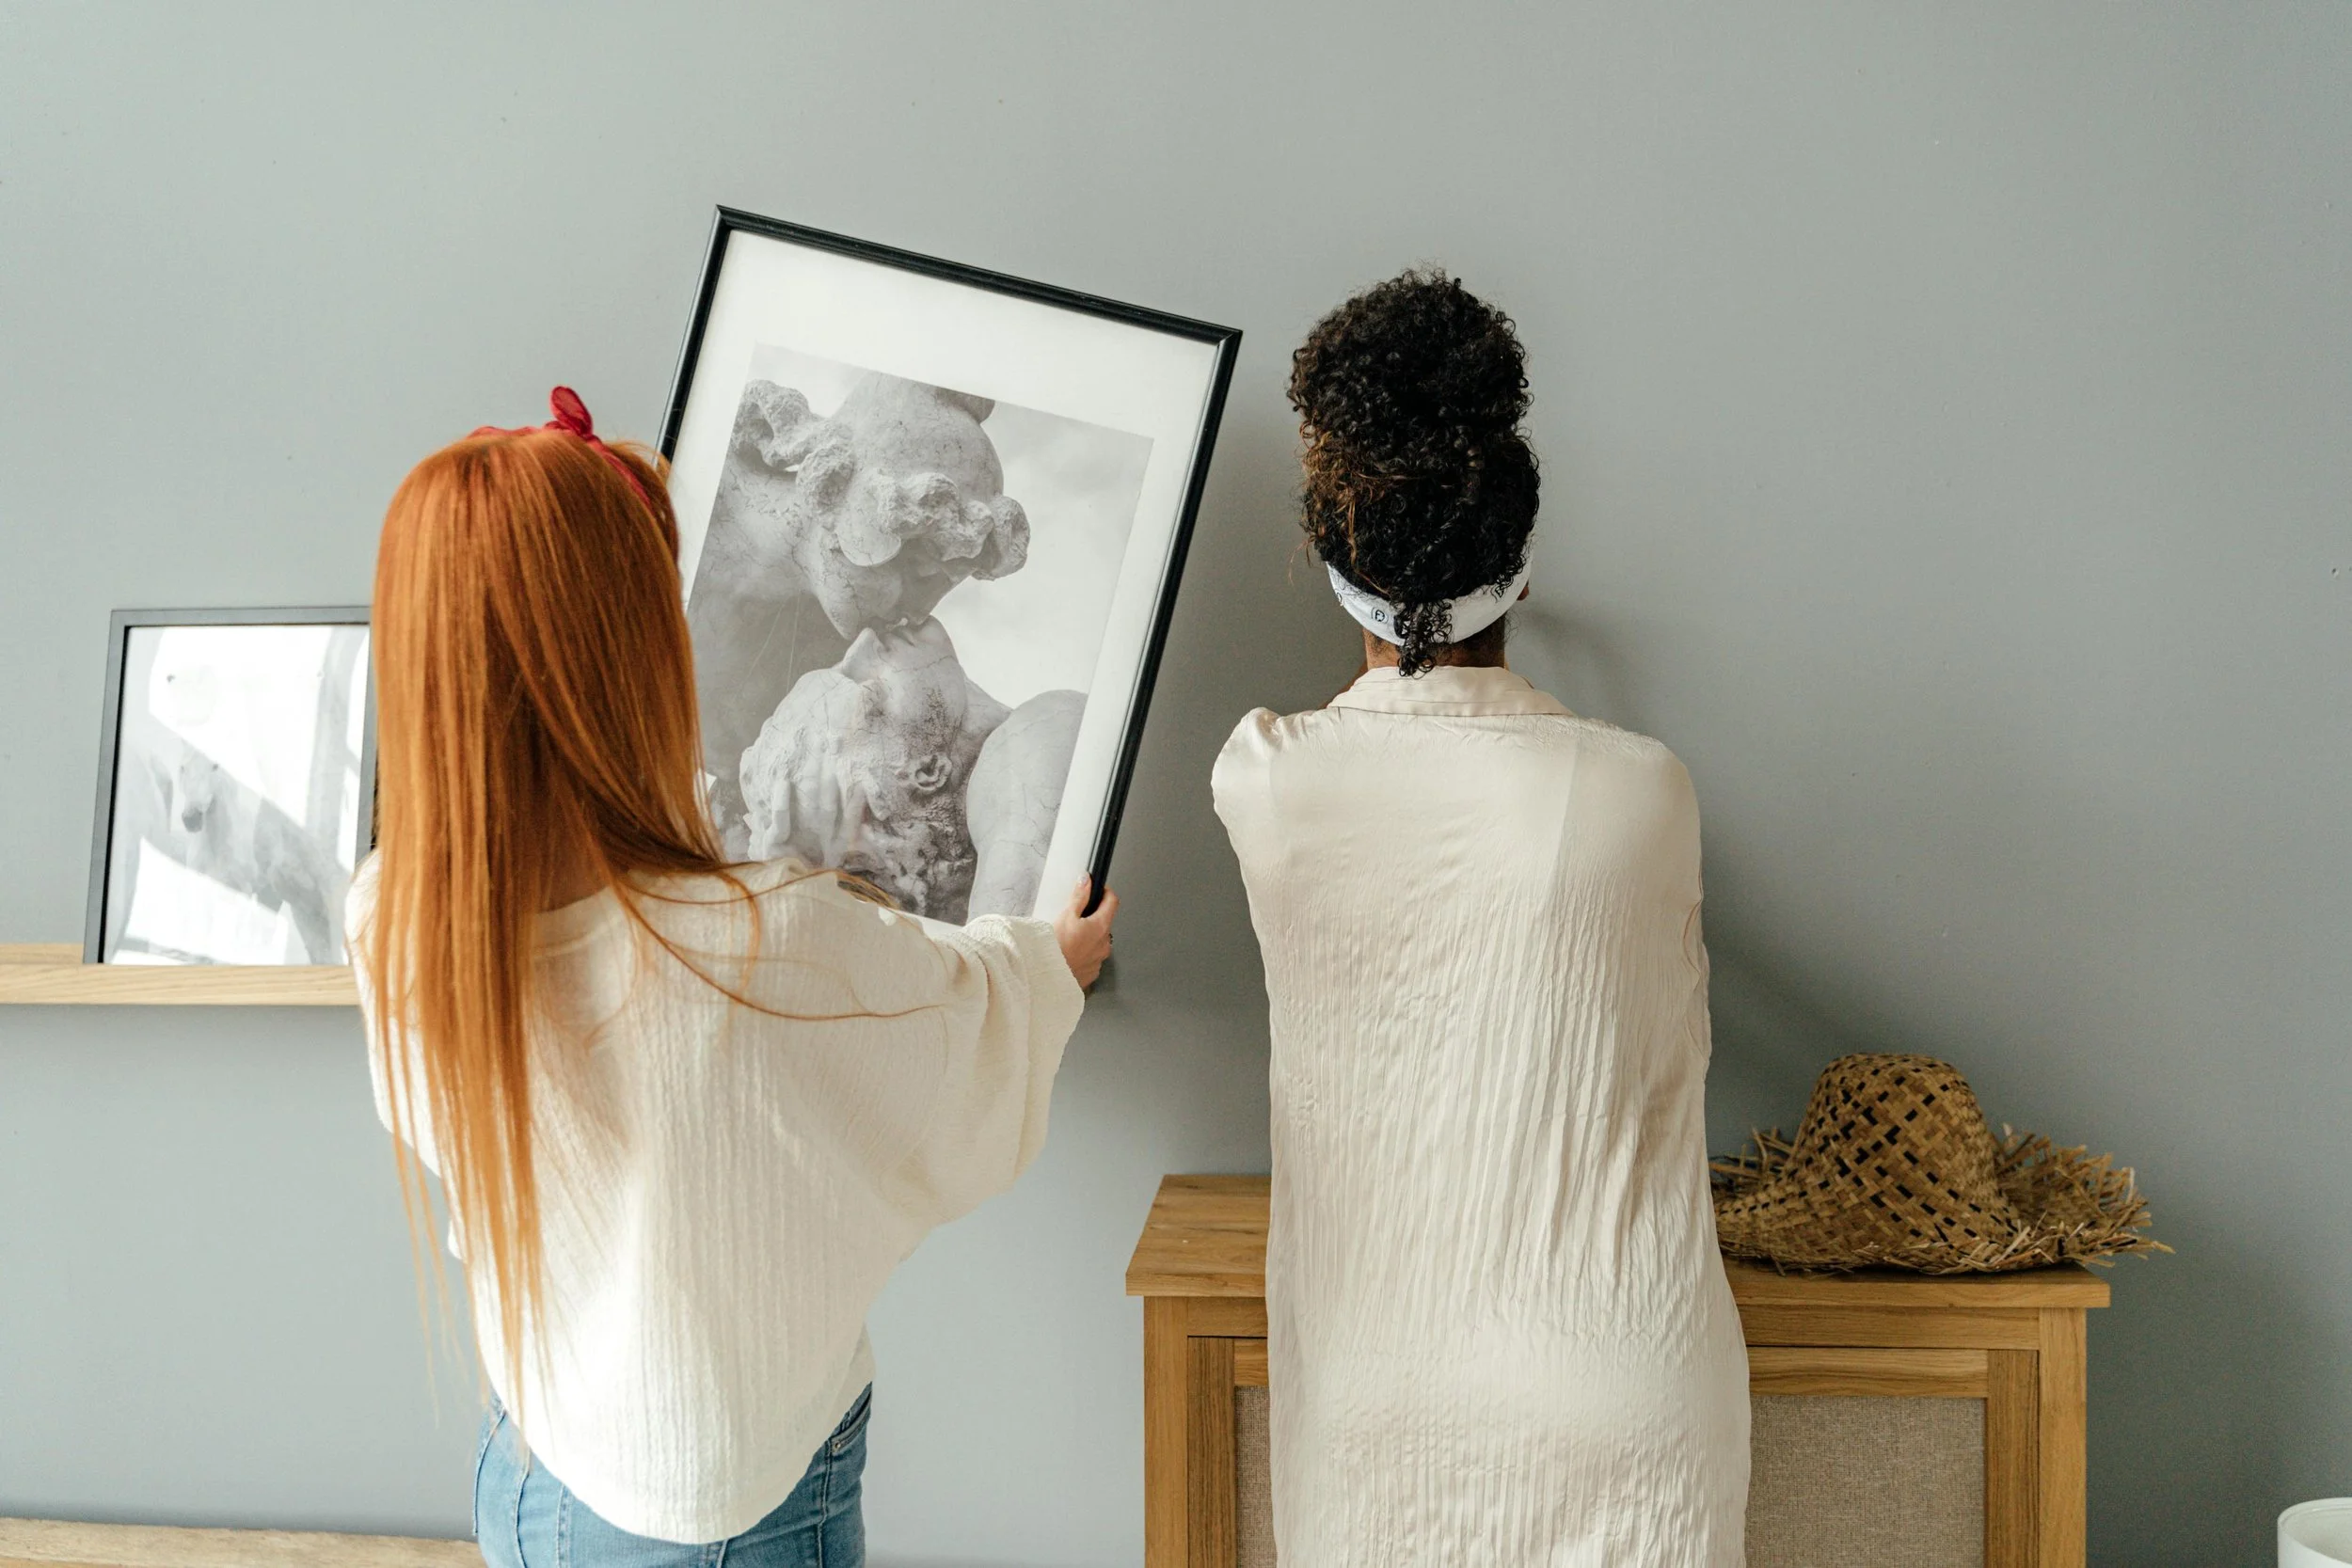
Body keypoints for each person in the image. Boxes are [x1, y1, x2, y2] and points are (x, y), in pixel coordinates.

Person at [353, 388, 1117, 1568]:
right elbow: (960, 1035)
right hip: (730, 1523)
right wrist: (1045, 964)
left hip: (532, 1470)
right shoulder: (767, 945)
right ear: (640, 652)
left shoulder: (396, 911)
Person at [1212, 274, 1748, 1565]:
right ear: (1521, 562)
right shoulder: (1644, 790)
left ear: (1334, 560)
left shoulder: (1266, 780)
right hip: (1630, 1397)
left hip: (1380, 1420)